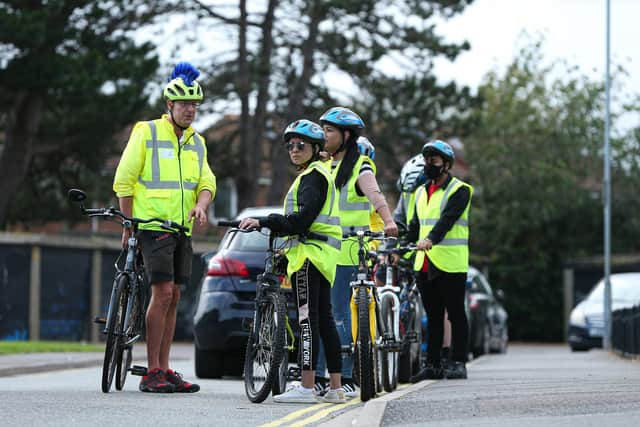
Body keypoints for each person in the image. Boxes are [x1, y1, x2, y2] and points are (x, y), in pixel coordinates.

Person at [113, 62, 216, 393]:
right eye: (184, 104)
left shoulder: (197, 142)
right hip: (152, 225)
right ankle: (151, 371)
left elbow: (207, 181)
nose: (190, 110)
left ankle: (165, 368)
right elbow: (124, 180)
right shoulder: (147, 131)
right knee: (164, 292)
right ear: (169, 106)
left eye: (195, 104)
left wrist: (201, 204)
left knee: (176, 296)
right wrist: (129, 224)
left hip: (181, 230)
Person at [238, 119, 345, 404]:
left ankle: (307, 386)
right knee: (325, 321)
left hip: (309, 257)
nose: (294, 150)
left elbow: (301, 220)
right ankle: (335, 387)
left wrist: (265, 221)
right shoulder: (321, 173)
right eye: (290, 146)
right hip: (322, 257)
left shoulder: (312, 177)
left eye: (301, 145)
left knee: (308, 321)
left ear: (315, 148)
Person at [314, 107, 398, 397]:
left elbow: (375, 195)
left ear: (346, 135)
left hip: (349, 251)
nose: (324, 135)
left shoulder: (361, 165)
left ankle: (347, 377)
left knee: (338, 316)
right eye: (323, 129)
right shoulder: (325, 166)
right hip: (323, 251)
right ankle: (320, 377)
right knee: (319, 316)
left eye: (329, 130)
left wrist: (388, 221)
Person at [408, 140, 472, 381]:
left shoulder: (460, 190)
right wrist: (397, 249)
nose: (428, 165)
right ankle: (433, 364)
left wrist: (431, 239)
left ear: (446, 164)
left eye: (433, 160)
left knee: (456, 314)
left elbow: (447, 220)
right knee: (433, 316)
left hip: (450, 262)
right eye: (426, 160)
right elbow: (415, 227)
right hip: (424, 262)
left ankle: (458, 362)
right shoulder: (420, 192)